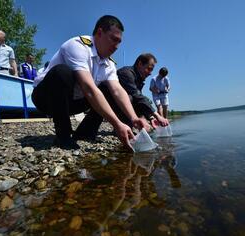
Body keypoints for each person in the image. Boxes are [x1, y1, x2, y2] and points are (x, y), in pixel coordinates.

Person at [32, 15, 150, 150]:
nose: (117, 46)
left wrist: (134, 118)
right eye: (114, 39)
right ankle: (63, 135)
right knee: (62, 72)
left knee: (109, 90)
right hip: (46, 98)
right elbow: (88, 88)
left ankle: (85, 133)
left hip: (73, 101)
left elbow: (118, 91)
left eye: (119, 42)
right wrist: (117, 123)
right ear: (100, 33)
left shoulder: (108, 63)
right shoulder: (77, 46)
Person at [74, 53, 169, 141]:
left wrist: (151, 118)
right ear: (140, 64)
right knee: (130, 98)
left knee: (138, 101)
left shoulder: (138, 79)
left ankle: (125, 129)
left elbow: (140, 101)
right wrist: (157, 115)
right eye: (149, 69)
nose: (150, 73)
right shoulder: (126, 73)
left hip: (111, 104)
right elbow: (137, 96)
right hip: (98, 102)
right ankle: (85, 133)